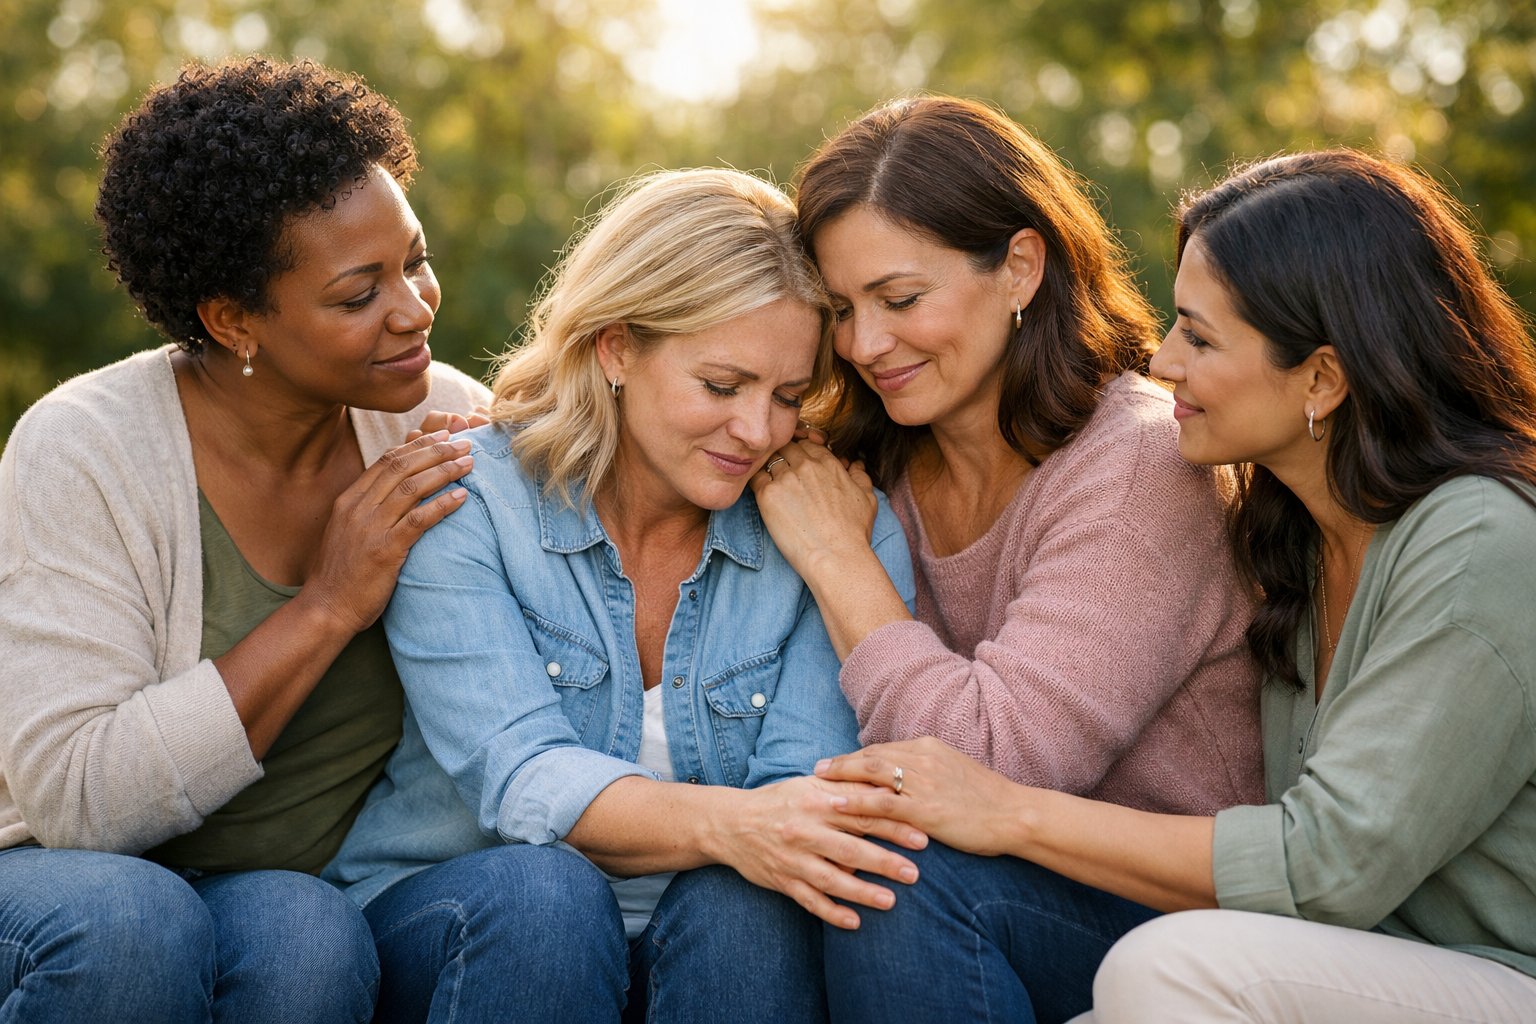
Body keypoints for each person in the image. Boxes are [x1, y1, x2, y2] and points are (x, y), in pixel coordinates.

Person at [819, 148, 1536, 1023]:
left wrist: (1010, 813)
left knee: (1168, 969)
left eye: (1199, 337)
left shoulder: (1481, 541)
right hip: (1337, 956)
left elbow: (1330, 862)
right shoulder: (1300, 531)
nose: (1160, 363)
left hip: (1490, 970)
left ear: (1320, 376)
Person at [324, 167, 922, 1023]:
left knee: (753, 907)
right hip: (472, 923)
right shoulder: (468, 502)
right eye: (721, 386)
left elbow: (805, 799)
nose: (757, 431)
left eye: (788, 396)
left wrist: (759, 832)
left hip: (713, 942)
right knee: (546, 896)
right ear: (616, 348)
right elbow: (521, 775)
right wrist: (739, 827)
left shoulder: (837, 525)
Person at [747, 96, 1263, 1020]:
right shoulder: (872, 458)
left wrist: (840, 561)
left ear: (1020, 267)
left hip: (1178, 915)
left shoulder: (1138, 464)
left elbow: (994, 761)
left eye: (902, 299)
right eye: (841, 310)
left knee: (895, 875)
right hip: (1000, 882)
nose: (866, 345)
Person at [0, 58, 489, 1022]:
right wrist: (329, 605)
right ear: (232, 321)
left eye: (415, 260)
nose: (415, 308)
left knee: (304, 937)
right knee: (133, 926)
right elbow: (77, 802)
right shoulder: (83, 449)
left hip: (304, 885)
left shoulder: (450, 423)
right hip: (68, 879)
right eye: (358, 295)